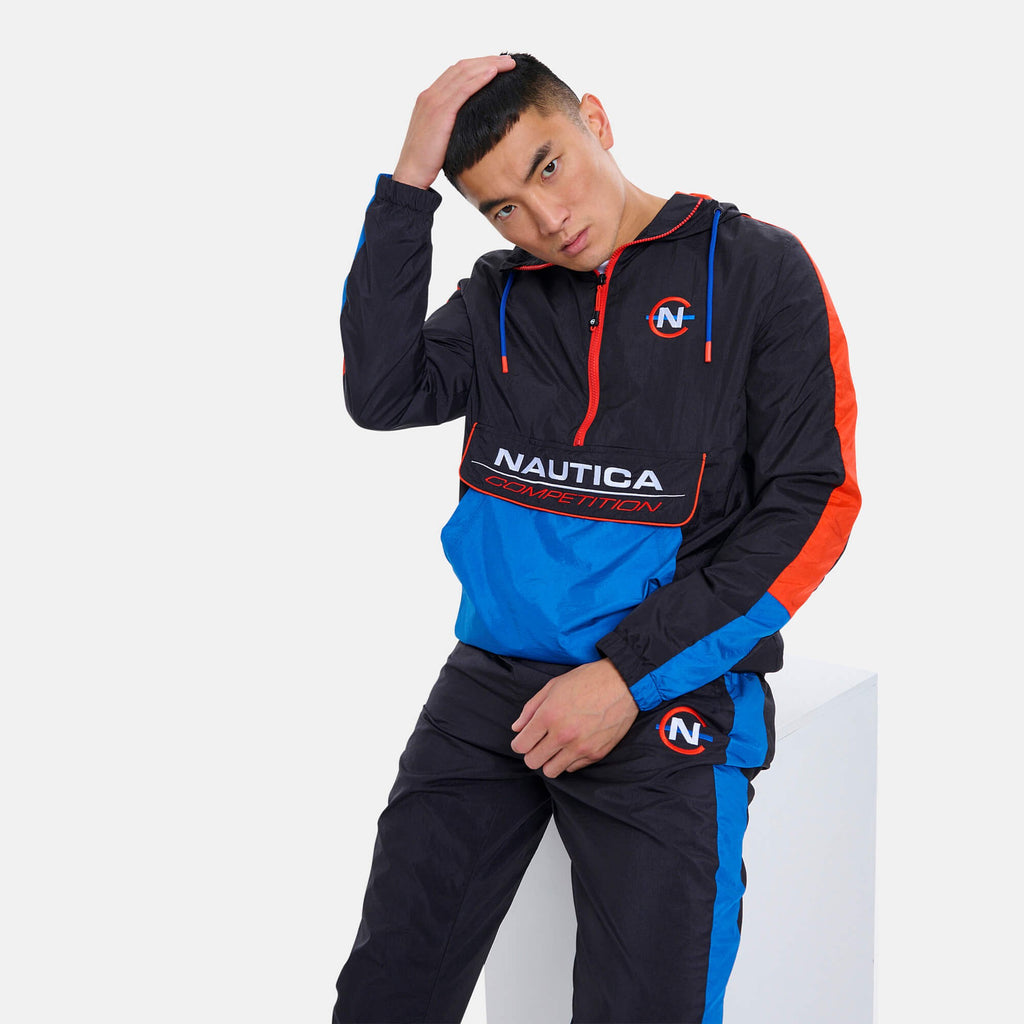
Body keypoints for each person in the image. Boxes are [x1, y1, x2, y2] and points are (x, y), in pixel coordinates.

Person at [332, 53, 860, 1024]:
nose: (545, 218)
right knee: (386, 991)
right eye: (502, 207)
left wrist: (625, 676)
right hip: (493, 681)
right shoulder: (498, 296)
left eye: (549, 165)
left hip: (668, 691)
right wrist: (407, 186)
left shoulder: (755, 268)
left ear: (595, 121)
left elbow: (811, 502)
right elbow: (381, 390)